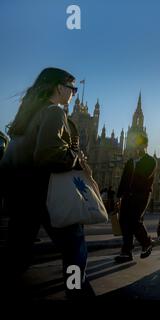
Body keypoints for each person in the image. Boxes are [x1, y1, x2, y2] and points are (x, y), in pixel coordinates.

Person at [0, 67, 94, 298]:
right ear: (59, 88)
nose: (73, 92)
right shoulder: (54, 112)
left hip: (22, 198)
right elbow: (49, 156)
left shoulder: (27, 116)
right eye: (71, 88)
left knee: (16, 258)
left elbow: (9, 161)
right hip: (49, 197)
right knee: (74, 253)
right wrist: (74, 154)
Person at [115, 134, 157, 263]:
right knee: (123, 221)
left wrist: (135, 165)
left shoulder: (150, 161)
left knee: (134, 220)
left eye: (139, 145)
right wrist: (119, 195)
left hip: (141, 194)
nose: (137, 147)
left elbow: (145, 177)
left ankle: (147, 242)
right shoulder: (130, 161)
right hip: (128, 195)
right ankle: (126, 251)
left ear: (145, 145)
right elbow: (124, 179)